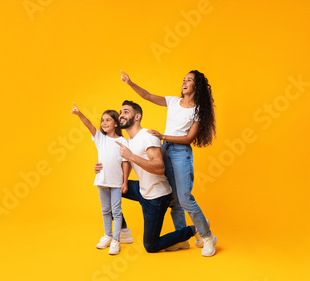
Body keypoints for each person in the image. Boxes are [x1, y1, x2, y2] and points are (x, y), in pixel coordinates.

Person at [120, 70, 217, 257]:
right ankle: (182, 239)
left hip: (181, 153)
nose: (184, 82)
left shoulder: (197, 110)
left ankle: (207, 236)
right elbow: (147, 96)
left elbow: (188, 138)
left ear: (197, 86)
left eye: (189, 80)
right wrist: (130, 83)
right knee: (173, 199)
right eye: (184, 79)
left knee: (185, 197)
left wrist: (162, 136)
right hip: (166, 150)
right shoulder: (173, 101)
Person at [96, 100, 196, 253]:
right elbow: (124, 163)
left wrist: (132, 156)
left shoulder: (148, 136)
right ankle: (122, 231)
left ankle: (192, 230)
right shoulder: (128, 141)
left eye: (126, 112)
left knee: (150, 246)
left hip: (156, 197)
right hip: (142, 190)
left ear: (137, 117)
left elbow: (159, 167)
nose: (121, 115)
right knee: (110, 183)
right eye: (121, 112)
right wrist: (102, 170)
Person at [71, 102, 131, 255]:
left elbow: (126, 163)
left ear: (115, 123)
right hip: (102, 180)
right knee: (105, 210)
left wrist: (125, 182)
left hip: (116, 182)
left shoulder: (123, 141)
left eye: (108, 120)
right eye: (103, 120)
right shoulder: (100, 138)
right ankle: (108, 235)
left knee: (116, 211)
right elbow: (89, 125)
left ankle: (116, 240)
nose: (104, 123)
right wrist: (79, 113)